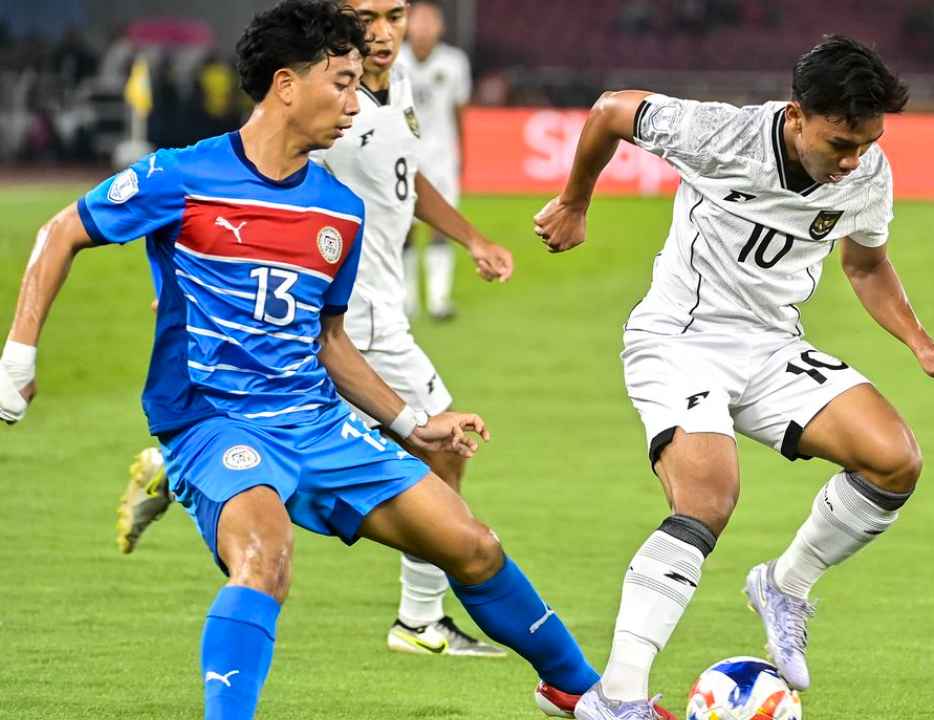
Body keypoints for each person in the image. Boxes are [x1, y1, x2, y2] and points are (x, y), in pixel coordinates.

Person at [1, 2, 605, 718]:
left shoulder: (339, 209)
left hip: (316, 423)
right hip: (213, 423)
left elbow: (331, 342)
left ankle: (586, 693)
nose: (354, 103)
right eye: (342, 84)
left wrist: (414, 423)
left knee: (471, 544)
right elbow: (61, 233)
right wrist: (18, 356)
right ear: (286, 84)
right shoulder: (183, 176)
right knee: (266, 557)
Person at [533, 35, 934, 720]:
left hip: (772, 347)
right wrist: (575, 201)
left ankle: (784, 585)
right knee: (708, 499)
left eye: (867, 141)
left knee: (895, 460)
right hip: (680, 339)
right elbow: (610, 111)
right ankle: (617, 697)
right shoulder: (721, 134)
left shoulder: (867, 171)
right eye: (840, 143)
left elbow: (865, 265)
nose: (853, 160)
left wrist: (919, 343)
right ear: (797, 115)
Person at [113, 0, 515, 662]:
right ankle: (419, 619)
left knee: (396, 441)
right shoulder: (329, 109)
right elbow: (253, 193)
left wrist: (471, 237)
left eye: (394, 15)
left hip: (382, 300)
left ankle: (173, 466)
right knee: (438, 442)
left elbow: (406, 179)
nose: (382, 32)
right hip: (344, 313)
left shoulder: (392, 84)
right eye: (365, 17)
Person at [401, 0, 471, 320]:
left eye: (430, 21)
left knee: (441, 225)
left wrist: (461, 153)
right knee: (403, 228)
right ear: (407, 25)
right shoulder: (394, 61)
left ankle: (439, 301)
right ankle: (407, 301)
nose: (424, 27)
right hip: (404, 154)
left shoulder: (455, 63)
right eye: (419, 21)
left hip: (441, 156)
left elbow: (459, 112)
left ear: (440, 27)